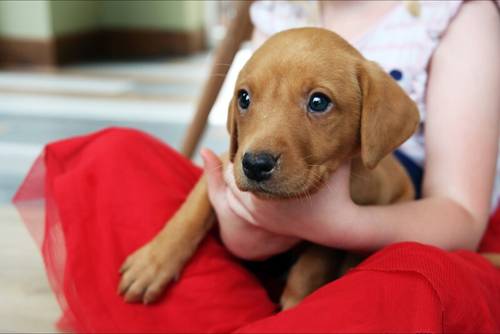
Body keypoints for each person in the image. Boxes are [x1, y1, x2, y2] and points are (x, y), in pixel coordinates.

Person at [14, 0, 500, 332]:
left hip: (391, 227)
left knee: (393, 293)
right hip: (265, 222)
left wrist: (339, 229)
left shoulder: (454, 16)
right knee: (114, 161)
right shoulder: (281, 9)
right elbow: (240, 159)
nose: (261, 141)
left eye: (318, 102)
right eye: (244, 99)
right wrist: (216, 226)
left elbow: (454, 211)